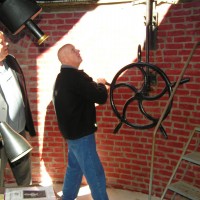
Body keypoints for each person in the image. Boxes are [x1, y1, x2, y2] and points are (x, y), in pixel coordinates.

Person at [53, 44, 110, 200]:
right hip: (81, 135)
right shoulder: (74, 77)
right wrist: (102, 85)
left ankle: (67, 197)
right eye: (73, 50)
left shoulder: (63, 77)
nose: (78, 51)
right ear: (64, 58)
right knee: (95, 174)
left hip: (72, 134)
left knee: (74, 168)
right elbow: (99, 97)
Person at [0, 31, 36, 186]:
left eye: (5, 40)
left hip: (18, 130)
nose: (6, 44)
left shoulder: (12, 61)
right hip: (1, 136)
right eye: (1, 42)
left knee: (24, 177)